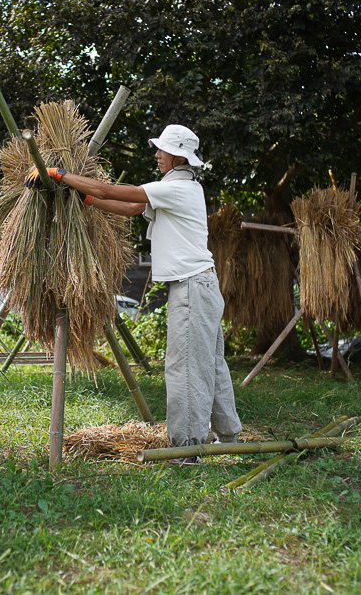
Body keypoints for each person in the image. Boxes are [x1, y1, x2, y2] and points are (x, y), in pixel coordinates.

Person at [26, 124, 242, 462]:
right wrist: (85, 198)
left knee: (184, 366)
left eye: (163, 150)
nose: (157, 154)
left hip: (192, 288)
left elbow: (110, 189)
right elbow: (128, 208)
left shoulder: (178, 189)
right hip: (201, 285)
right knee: (210, 364)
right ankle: (228, 436)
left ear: (179, 156)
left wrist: (60, 174)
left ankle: (186, 449)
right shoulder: (178, 188)